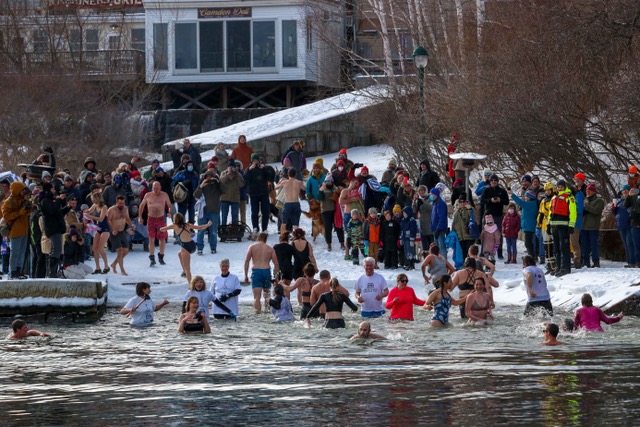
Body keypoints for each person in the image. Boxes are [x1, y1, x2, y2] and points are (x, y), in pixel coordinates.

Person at [160, 213, 211, 284]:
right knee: (179, 254)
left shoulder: (174, 226)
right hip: (192, 245)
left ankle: (190, 285)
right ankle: (184, 271)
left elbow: (162, 229)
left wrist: (159, 227)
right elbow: (199, 227)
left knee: (188, 269)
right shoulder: (187, 225)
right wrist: (207, 225)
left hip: (186, 247)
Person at [244, 232, 279, 314]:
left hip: (256, 272)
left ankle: (257, 313)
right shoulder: (270, 249)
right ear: (266, 239)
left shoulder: (252, 247)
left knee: (257, 297)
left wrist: (246, 275)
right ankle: (267, 312)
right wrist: (276, 276)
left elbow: (247, 261)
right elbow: (276, 264)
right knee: (267, 295)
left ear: (258, 238)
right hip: (266, 271)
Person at [139, 181, 172, 266]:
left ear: (160, 188)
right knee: (151, 239)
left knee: (162, 239)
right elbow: (142, 205)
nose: (155, 190)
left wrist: (169, 212)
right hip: (151, 219)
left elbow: (169, 205)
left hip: (161, 219)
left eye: (157, 188)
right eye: (154, 188)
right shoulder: (148, 195)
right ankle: (152, 257)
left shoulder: (164, 195)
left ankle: (161, 256)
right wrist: (140, 217)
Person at [549, 180, 577, 277]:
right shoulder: (554, 197)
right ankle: (558, 267)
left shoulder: (569, 197)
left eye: (561, 187)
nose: (559, 188)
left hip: (564, 226)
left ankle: (565, 268)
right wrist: (549, 224)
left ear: (565, 187)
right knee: (556, 248)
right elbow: (550, 212)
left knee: (564, 247)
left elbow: (573, 212)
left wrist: (571, 225)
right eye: (558, 187)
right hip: (555, 226)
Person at [479, 174, 509, 259]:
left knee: (498, 234)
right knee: (485, 233)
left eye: (495, 180)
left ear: (498, 181)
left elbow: (506, 201)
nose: (493, 182)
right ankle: (483, 251)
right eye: (492, 180)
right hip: (488, 215)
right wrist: (490, 200)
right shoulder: (486, 190)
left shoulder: (502, 191)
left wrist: (500, 200)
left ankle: (499, 252)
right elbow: (482, 201)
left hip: (498, 215)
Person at [107, 195, 136, 276]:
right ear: (116, 202)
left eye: (123, 203)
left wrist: (131, 224)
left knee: (126, 251)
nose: (121, 205)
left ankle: (114, 264)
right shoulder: (111, 210)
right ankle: (122, 270)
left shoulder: (125, 208)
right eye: (120, 203)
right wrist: (112, 229)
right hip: (114, 232)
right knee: (120, 251)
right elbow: (108, 220)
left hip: (121, 231)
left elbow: (127, 218)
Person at [85, 193, 110, 274]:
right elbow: (89, 211)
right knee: (95, 249)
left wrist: (90, 216)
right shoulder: (95, 205)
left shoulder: (104, 207)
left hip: (105, 229)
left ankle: (106, 266)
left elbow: (101, 219)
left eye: (93, 199)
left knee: (101, 248)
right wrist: (86, 212)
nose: (92, 201)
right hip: (98, 228)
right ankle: (98, 267)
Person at [275, 168, 305, 234]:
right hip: (296, 203)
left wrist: (280, 181)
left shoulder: (284, 182)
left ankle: (282, 237)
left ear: (288, 174)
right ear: (295, 174)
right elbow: (305, 188)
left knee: (284, 223)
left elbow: (276, 187)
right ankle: (297, 236)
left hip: (287, 204)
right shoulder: (299, 182)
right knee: (296, 223)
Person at [581, 183, 604, 268]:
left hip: (593, 227)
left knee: (594, 245)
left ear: (594, 192)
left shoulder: (599, 201)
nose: (588, 192)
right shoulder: (584, 199)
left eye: (590, 191)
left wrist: (587, 207)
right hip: (584, 226)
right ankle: (586, 262)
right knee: (584, 245)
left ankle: (596, 261)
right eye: (587, 191)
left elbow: (597, 211)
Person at [430, 187, 448, 256]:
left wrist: (439, 228)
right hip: (435, 229)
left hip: (439, 230)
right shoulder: (434, 204)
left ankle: (443, 263)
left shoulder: (441, 204)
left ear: (436, 195)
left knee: (442, 248)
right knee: (436, 249)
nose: (430, 196)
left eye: (432, 194)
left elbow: (442, 218)